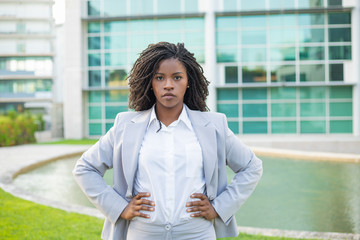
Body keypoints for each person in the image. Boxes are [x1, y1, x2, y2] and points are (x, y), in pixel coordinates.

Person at [73, 42, 263, 240]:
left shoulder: (214, 126)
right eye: (159, 78)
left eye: (177, 77)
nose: (168, 85)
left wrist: (219, 208)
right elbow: (85, 168)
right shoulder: (126, 126)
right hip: (142, 233)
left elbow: (251, 167)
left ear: (188, 81)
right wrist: (120, 208)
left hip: (197, 233)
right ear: (150, 82)